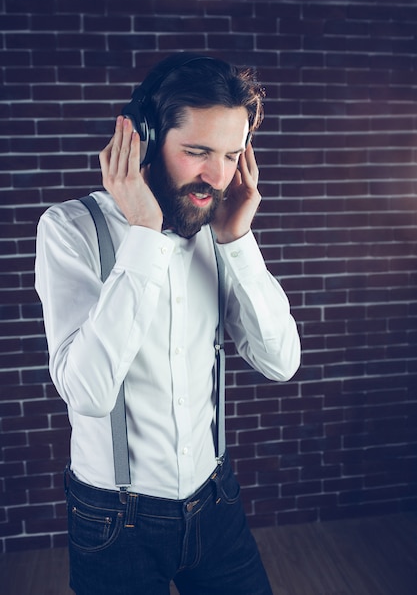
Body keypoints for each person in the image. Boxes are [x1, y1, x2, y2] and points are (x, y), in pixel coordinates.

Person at [35, 52, 301, 595]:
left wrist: (238, 242)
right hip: (115, 521)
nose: (218, 176)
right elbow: (86, 391)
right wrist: (145, 237)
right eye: (197, 152)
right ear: (147, 140)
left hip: (216, 501)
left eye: (231, 155)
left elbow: (280, 362)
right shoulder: (69, 229)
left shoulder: (217, 227)